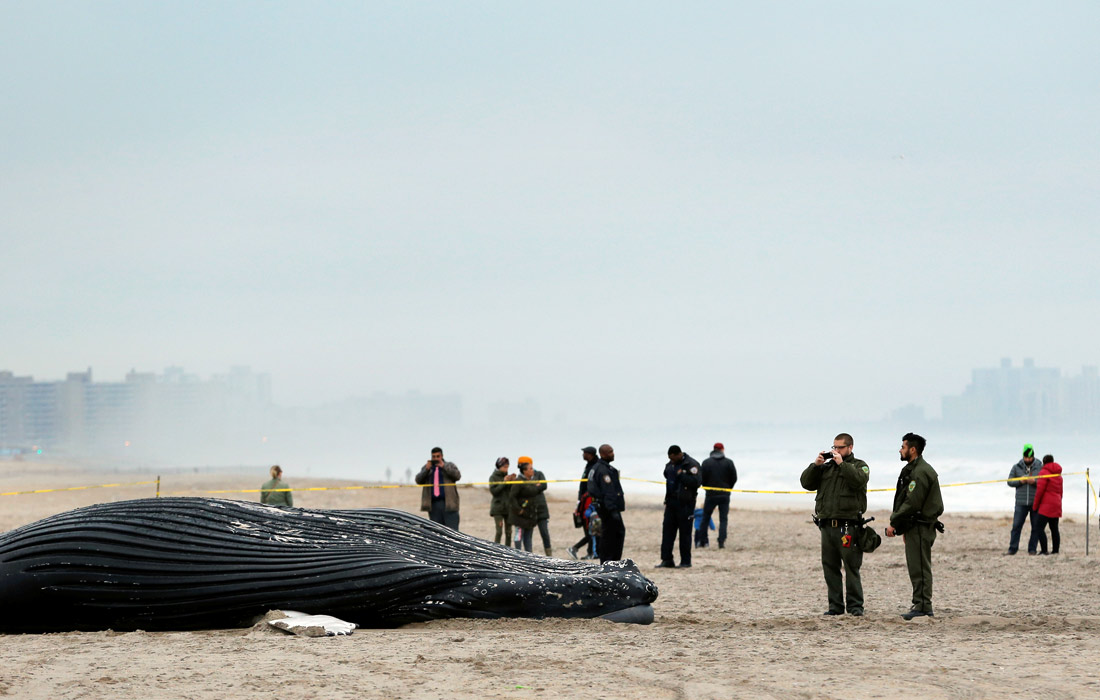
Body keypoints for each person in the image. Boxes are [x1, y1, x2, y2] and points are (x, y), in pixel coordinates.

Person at [799, 433, 869, 616]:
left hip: (848, 526)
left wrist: (842, 464)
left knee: (851, 566)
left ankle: (855, 607)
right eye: (834, 447)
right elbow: (806, 483)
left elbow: (858, 481)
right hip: (827, 525)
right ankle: (835, 606)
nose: (836, 451)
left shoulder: (859, 466)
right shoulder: (827, 468)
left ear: (850, 448)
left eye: (840, 448)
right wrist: (816, 466)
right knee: (830, 567)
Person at [886, 432, 944, 620]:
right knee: (916, 566)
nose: (900, 450)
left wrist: (894, 523)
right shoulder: (914, 469)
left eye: (903, 447)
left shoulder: (920, 472)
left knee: (920, 566)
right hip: (915, 526)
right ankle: (920, 603)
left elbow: (912, 503)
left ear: (912, 449)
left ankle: (924, 605)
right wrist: (903, 527)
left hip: (920, 527)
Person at [656, 445, 700, 569]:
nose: (672, 461)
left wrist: (682, 475)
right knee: (667, 532)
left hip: (686, 504)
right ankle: (667, 559)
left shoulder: (691, 465)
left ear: (679, 454)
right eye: (670, 459)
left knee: (685, 534)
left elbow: (697, 482)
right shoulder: (670, 465)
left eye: (673, 458)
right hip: (671, 503)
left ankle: (686, 561)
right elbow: (666, 475)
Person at [587, 444, 626, 563]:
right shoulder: (603, 471)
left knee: (610, 534)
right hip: (607, 509)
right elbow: (608, 491)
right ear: (603, 454)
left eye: (612, 451)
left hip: (603, 507)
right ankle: (611, 561)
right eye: (610, 452)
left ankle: (609, 560)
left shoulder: (598, 468)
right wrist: (613, 509)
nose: (612, 454)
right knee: (613, 534)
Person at [1006, 444, 1045, 555]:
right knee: (1016, 526)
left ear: (1033, 456)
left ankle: (1032, 549)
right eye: (1026, 457)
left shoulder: (1039, 467)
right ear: (1023, 456)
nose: (1028, 459)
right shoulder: (1016, 467)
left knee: (1036, 527)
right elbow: (1009, 481)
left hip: (1035, 502)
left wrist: (1035, 482)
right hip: (1021, 502)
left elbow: (1044, 482)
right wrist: (1020, 481)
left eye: (1030, 457)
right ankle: (1013, 548)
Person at [698, 442, 737, 549]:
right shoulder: (729, 462)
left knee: (706, 517)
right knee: (723, 519)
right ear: (722, 450)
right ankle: (721, 541)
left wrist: (706, 487)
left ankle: (703, 540)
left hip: (711, 494)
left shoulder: (706, 462)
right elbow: (734, 478)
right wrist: (728, 488)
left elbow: (702, 478)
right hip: (724, 494)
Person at [414, 447, 462, 530]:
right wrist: (426, 469)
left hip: (449, 504)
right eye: (434, 457)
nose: (436, 458)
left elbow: (457, 476)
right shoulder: (428, 468)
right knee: (437, 531)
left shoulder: (449, 465)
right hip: (434, 505)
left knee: (452, 530)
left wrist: (444, 466)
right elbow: (418, 480)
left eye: (438, 456)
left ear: (442, 456)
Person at [568, 447, 600, 559]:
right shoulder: (589, 465)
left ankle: (586, 551)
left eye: (584, 453)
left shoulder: (595, 466)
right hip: (584, 500)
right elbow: (583, 485)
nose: (583, 455)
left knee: (591, 526)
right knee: (589, 527)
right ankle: (588, 551)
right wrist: (579, 500)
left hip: (590, 501)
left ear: (590, 454)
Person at [519, 456, 553, 556]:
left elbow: (544, 486)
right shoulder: (520, 478)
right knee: (528, 535)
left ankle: (549, 554)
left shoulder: (539, 474)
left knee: (544, 533)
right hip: (530, 510)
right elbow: (523, 490)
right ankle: (529, 555)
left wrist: (531, 487)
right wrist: (535, 486)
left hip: (541, 509)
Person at [1030, 454, 1063, 555]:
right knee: (1054, 529)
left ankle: (1044, 550)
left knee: (1039, 528)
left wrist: (1035, 506)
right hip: (1056, 503)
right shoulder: (1058, 474)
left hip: (1046, 505)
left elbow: (1039, 491)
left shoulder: (1043, 472)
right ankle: (1055, 551)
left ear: (1044, 463)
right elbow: (1061, 492)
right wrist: (1058, 501)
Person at [506, 464, 540, 552]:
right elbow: (512, 497)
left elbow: (536, 492)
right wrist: (519, 510)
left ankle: (529, 555)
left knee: (528, 536)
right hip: (520, 515)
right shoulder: (519, 482)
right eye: (531, 469)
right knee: (519, 535)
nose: (533, 470)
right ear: (524, 471)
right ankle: (518, 553)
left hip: (530, 514)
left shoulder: (533, 481)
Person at [488, 457, 512, 545]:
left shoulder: (507, 476)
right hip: (498, 508)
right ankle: (496, 550)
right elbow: (494, 491)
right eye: (505, 467)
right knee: (499, 531)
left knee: (509, 531)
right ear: (499, 466)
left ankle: (508, 551)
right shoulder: (493, 477)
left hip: (508, 507)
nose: (506, 469)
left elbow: (511, 491)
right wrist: (504, 482)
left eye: (507, 467)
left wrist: (512, 481)